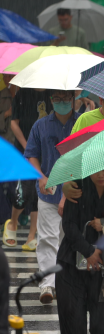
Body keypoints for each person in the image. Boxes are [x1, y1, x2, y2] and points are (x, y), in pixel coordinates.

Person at [56, 165, 104, 334]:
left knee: (102, 329)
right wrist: (88, 251)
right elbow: (69, 224)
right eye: (96, 169)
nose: (100, 174)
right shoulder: (76, 188)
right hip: (70, 267)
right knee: (72, 327)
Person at [23, 90, 80, 304]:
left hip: (74, 192)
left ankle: (66, 282)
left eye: (66, 98)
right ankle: (47, 284)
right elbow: (31, 153)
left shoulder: (80, 124)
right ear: (51, 100)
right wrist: (40, 177)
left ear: (73, 99)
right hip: (48, 193)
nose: (62, 102)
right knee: (47, 239)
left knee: (69, 239)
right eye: (57, 98)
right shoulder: (40, 125)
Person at [5, 87, 52, 250]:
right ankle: (12, 223)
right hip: (24, 150)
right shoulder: (22, 93)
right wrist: (27, 146)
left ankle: (32, 236)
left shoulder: (52, 93)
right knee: (23, 192)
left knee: (38, 192)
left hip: (44, 151)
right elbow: (13, 123)